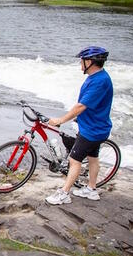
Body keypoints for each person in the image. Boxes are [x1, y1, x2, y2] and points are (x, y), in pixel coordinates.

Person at [45, 46, 113, 205]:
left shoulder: (99, 81)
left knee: (74, 161)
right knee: (93, 158)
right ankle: (91, 190)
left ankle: (64, 194)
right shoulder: (97, 76)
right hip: (97, 127)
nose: (80, 64)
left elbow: (81, 106)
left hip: (92, 131)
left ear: (90, 61)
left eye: (81, 61)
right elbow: (91, 105)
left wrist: (60, 120)